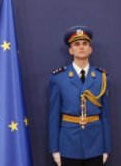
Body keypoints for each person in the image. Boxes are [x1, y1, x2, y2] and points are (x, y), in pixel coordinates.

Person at [49, 25, 111, 166]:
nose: (81, 47)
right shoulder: (59, 78)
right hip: (69, 144)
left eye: (85, 44)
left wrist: (106, 148)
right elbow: (53, 117)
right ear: (71, 50)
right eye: (77, 44)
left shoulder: (102, 78)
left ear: (90, 49)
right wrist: (55, 149)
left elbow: (105, 116)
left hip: (95, 144)